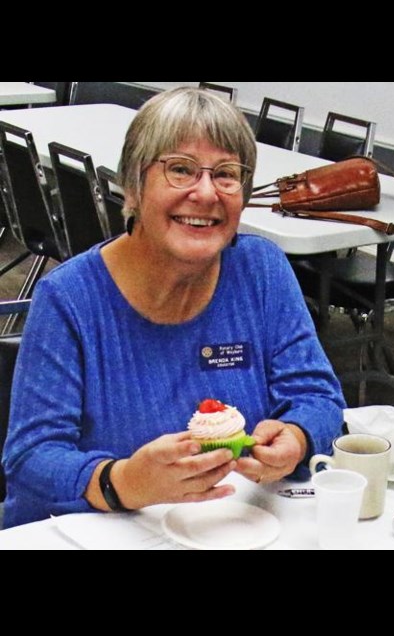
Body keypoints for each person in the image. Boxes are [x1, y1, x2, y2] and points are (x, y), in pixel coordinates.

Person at [2, 87, 346, 528]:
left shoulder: (261, 270)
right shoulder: (70, 299)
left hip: (231, 529)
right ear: (132, 186)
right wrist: (123, 480)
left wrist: (297, 437)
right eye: (180, 170)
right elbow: (30, 459)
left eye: (226, 174)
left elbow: (316, 395)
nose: (206, 194)